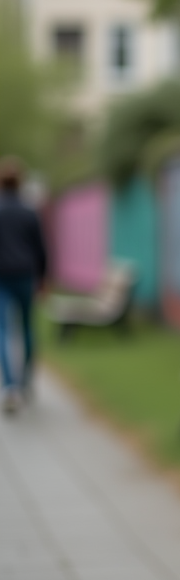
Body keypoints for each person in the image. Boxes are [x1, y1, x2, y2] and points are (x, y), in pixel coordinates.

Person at [0, 156, 47, 414]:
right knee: (27, 327)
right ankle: (26, 380)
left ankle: (10, 387)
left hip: (1, 278)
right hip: (25, 276)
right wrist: (43, 278)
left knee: (4, 331)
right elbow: (41, 250)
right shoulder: (30, 212)